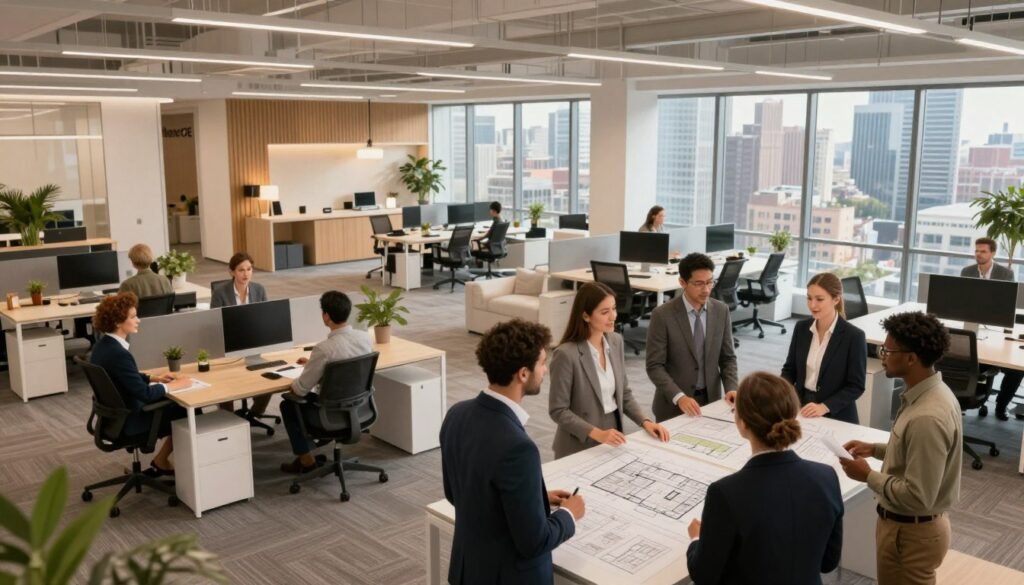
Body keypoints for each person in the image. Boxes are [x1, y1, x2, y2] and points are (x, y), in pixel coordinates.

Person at [440, 319, 585, 584]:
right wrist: (569, 515)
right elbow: (535, 541)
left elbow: (456, 493)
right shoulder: (519, 447)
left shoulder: (456, 414)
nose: (546, 370)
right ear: (523, 374)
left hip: (468, 569)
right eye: (542, 363)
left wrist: (534, 497)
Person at [687, 372, 843, 585]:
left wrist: (697, 539)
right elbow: (828, 562)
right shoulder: (827, 477)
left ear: (742, 423)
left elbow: (704, 575)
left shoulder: (725, 493)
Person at [840, 312, 961, 585]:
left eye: (887, 350)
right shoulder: (930, 393)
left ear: (910, 358)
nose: (882, 355)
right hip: (906, 529)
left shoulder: (927, 416)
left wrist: (867, 476)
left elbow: (918, 496)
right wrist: (876, 449)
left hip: (911, 534)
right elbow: (915, 452)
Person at [548, 282, 669, 458]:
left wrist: (645, 421)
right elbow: (558, 410)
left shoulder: (616, 341)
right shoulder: (566, 354)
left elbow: (624, 394)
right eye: (604, 312)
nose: (613, 316)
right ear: (586, 316)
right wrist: (597, 433)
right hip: (579, 441)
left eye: (613, 309)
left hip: (613, 434)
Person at [89, 292, 193, 476]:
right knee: (187, 411)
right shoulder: (120, 354)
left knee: (176, 405)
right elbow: (144, 395)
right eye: (133, 317)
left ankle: (163, 460)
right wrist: (174, 386)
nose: (138, 320)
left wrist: (153, 378)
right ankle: (164, 461)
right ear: (118, 322)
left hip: (112, 418)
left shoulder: (103, 346)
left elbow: (121, 377)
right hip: (130, 421)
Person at [279, 291, 374, 473]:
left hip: (330, 415)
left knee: (288, 404)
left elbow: (300, 390)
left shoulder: (324, 349)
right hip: (360, 408)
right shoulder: (364, 338)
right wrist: (317, 367)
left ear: (326, 316)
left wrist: (300, 376)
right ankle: (316, 446)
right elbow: (348, 365)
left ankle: (306, 461)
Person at [646, 252, 738, 421]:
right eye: (699, 284)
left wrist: (732, 388)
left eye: (710, 282)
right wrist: (679, 396)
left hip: (711, 401)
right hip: (673, 405)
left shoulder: (721, 311)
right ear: (682, 282)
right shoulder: (662, 315)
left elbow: (728, 358)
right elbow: (654, 366)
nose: (706, 290)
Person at [780, 273, 867, 424]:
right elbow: (789, 370)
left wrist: (824, 407)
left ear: (836, 299)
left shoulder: (854, 336)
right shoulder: (801, 328)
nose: (812, 305)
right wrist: (779, 393)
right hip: (802, 409)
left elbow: (856, 386)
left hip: (835, 413)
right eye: (809, 298)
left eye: (819, 299)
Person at [960, 237, 1020, 421]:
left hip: (997, 328)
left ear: (992, 253)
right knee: (972, 358)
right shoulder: (967, 272)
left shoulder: (1005, 274)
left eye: (983, 251)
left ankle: (1001, 406)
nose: (978, 254)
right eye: (977, 250)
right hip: (972, 325)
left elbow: (1006, 304)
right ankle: (965, 397)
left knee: (1017, 370)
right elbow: (960, 300)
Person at [212, 252, 270, 413]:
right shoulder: (220, 293)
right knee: (226, 379)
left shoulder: (259, 289)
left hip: (254, 340)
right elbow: (215, 321)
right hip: (229, 342)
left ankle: (256, 411)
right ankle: (227, 415)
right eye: (241, 270)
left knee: (270, 375)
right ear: (232, 272)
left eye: (249, 269)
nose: (246, 274)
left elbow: (266, 316)